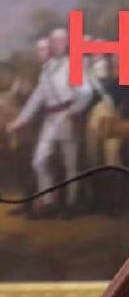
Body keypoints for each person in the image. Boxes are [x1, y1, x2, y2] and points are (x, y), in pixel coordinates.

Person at [5, 27, 92, 215]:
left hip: (68, 118)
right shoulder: (47, 69)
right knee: (39, 160)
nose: (57, 44)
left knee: (70, 164)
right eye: (54, 41)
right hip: (51, 120)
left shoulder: (73, 65)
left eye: (61, 41)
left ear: (67, 43)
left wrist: (74, 110)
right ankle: (48, 200)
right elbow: (37, 98)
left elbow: (86, 93)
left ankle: (71, 204)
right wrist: (20, 121)